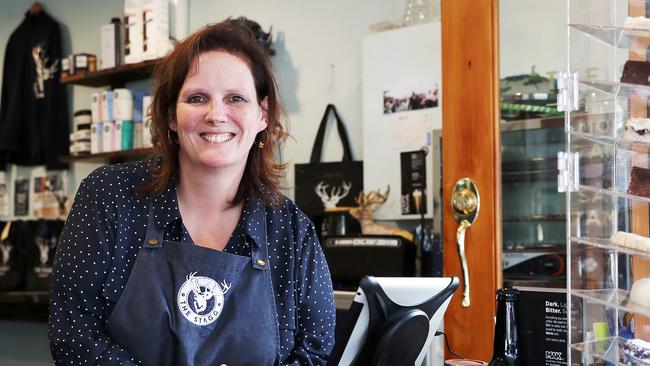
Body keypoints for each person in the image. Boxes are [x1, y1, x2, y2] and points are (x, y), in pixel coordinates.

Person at [48, 21, 336, 365]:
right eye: (197, 98)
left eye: (236, 98)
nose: (216, 115)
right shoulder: (109, 197)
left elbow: (314, 352)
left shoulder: (291, 230)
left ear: (262, 115)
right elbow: (73, 336)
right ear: (171, 115)